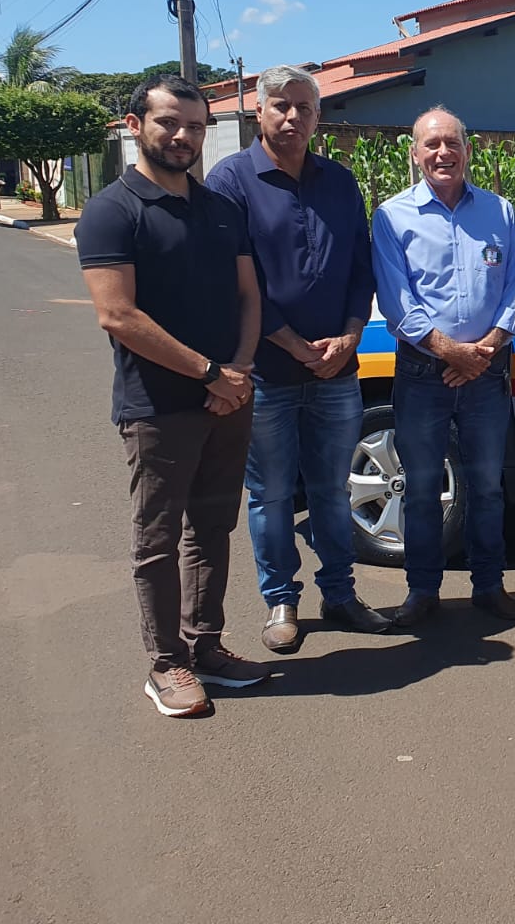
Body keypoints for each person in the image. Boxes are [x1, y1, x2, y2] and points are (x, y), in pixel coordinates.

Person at [75, 74, 271, 717]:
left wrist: (237, 371)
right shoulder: (113, 209)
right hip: (158, 408)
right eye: (169, 123)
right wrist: (210, 373)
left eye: (194, 126)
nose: (183, 136)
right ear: (136, 125)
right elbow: (118, 315)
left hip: (229, 398)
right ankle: (166, 665)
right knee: (157, 541)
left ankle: (205, 646)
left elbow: (250, 296)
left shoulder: (221, 209)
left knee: (213, 528)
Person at [205, 65, 389, 652]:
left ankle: (340, 595)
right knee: (272, 494)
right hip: (267, 371)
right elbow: (237, 280)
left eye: (303, 108)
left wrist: (352, 334)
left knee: (334, 491)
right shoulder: (230, 181)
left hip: (337, 369)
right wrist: (286, 341)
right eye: (280, 106)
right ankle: (281, 601)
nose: (292, 118)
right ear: (258, 112)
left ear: (318, 116)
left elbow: (362, 266)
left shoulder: (339, 181)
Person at [371, 107, 515, 626]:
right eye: (431, 144)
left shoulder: (501, 212)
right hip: (423, 374)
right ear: (415, 154)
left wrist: (486, 348)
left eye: (452, 143)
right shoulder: (392, 217)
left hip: (487, 371)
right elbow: (397, 300)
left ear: (467, 149)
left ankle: (489, 585)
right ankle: (422, 591)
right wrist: (448, 350)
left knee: (486, 484)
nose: (443, 153)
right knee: (419, 487)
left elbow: (513, 288)